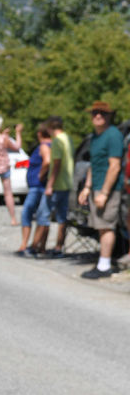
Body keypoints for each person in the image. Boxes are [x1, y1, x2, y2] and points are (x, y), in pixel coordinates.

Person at [77, 101, 124, 279]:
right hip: (96, 186)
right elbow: (93, 164)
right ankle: (102, 261)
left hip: (109, 189)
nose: (98, 116)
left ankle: (104, 265)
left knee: (106, 226)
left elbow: (114, 166)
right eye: (95, 113)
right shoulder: (96, 137)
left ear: (109, 116)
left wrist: (104, 192)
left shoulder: (113, 135)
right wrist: (87, 188)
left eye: (102, 113)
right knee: (100, 225)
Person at [16, 125, 52, 256]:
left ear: (39, 134)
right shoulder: (54, 145)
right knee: (43, 215)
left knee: (27, 213)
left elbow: (47, 161)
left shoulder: (44, 146)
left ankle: (25, 245)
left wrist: (40, 175)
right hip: (43, 186)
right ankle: (41, 246)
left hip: (38, 186)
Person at [44, 116, 73, 258]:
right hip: (67, 183)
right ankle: (58, 247)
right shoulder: (68, 138)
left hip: (57, 184)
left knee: (44, 215)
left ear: (50, 128)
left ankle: (39, 247)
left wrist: (49, 185)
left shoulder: (56, 141)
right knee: (62, 218)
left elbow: (56, 164)